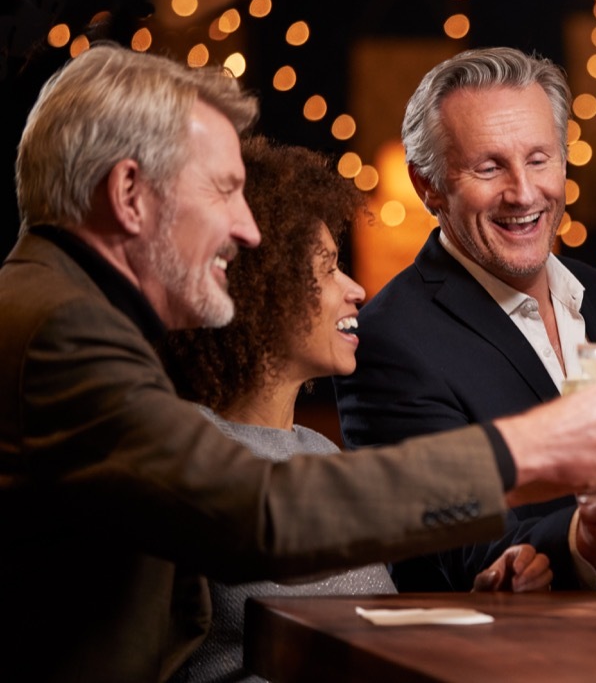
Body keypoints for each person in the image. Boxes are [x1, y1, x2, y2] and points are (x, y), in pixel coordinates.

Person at [0, 42, 596, 682]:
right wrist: (523, 452)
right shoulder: (63, 326)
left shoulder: (57, 305)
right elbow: (262, 513)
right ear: (130, 192)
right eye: (225, 190)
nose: (248, 228)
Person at [162, 136, 552, 682]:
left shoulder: (318, 450)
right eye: (325, 269)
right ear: (255, 288)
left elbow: (366, 642)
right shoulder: (187, 452)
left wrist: (481, 601)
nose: (357, 289)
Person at [335, 47, 596, 591]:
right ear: (427, 186)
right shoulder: (391, 341)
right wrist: (582, 538)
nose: (524, 193)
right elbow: (463, 553)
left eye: (539, 159)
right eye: (489, 166)